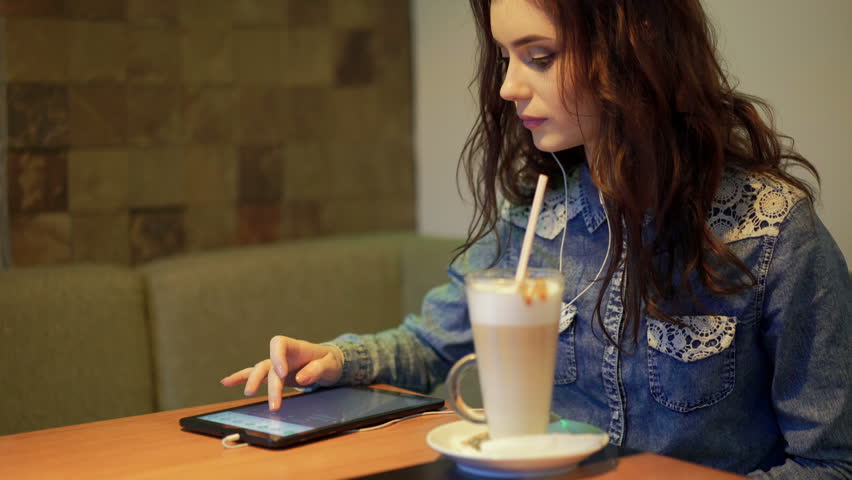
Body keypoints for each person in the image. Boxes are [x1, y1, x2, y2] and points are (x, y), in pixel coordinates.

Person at [221, 0, 851, 477]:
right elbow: (431, 343)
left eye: (539, 57)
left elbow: (831, 464)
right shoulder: (532, 221)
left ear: (635, 48)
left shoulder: (775, 237)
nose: (508, 87)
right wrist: (336, 360)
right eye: (504, 58)